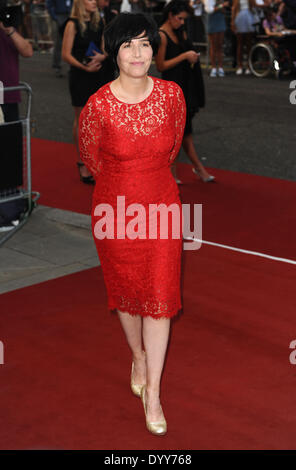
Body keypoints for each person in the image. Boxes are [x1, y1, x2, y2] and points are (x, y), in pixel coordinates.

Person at [79, 12, 186, 435]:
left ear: (153, 48)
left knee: (160, 296)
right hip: (114, 211)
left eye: (144, 43)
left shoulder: (172, 95)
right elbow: (90, 160)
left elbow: (173, 146)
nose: (138, 53)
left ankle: (154, 392)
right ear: (114, 52)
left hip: (161, 205)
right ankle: (137, 357)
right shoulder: (97, 105)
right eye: (128, 45)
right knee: (126, 296)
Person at [155, 0, 215, 183]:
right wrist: (184, 56)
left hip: (185, 86)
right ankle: (192, 169)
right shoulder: (162, 35)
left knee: (184, 132)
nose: (182, 22)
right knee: (179, 133)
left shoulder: (180, 31)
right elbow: (160, 65)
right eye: (180, 18)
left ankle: (183, 170)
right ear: (171, 16)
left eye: (184, 19)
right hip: (171, 90)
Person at [61, 0, 109, 184]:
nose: (94, 2)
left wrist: (103, 56)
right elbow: (65, 54)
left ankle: (96, 160)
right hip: (81, 76)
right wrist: (84, 67)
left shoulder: (100, 22)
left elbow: (105, 49)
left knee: (100, 120)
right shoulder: (72, 24)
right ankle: (82, 162)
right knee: (82, 120)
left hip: (99, 74)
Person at [0, 1, 33, 122]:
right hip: (5, 92)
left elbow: (28, 52)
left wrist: (10, 31)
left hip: (9, 93)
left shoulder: (8, 29)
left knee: (11, 138)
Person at [231, 0, 262, 75]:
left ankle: (249, 65)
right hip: (240, 17)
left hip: (249, 17)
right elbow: (234, 8)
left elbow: (254, 5)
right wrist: (232, 22)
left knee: (249, 44)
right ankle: (240, 66)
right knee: (240, 44)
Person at [46, 0, 73, 77]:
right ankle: (57, 65)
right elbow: (49, 5)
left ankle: (70, 66)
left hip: (69, 15)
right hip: (59, 16)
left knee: (71, 42)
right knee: (59, 43)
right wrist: (55, 17)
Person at [204, 0, 229, 77]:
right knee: (213, 46)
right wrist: (221, 6)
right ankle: (214, 68)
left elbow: (224, 11)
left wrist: (221, 6)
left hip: (220, 21)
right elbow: (209, 10)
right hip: (212, 22)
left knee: (220, 46)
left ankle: (220, 68)